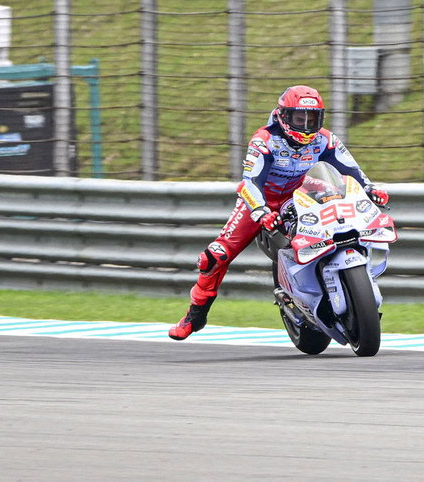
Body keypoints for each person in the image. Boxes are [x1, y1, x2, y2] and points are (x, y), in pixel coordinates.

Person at [167, 84, 390, 341]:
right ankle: (194, 316)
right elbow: (249, 183)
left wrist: (370, 188)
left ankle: (335, 287)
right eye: (299, 118)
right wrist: (261, 212)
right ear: (283, 116)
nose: (307, 125)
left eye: (313, 118)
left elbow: (352, 170)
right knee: (215, 256)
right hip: (261, 201)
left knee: (342, 221)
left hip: (301, 194)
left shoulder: (325, 139)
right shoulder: (264, 140)